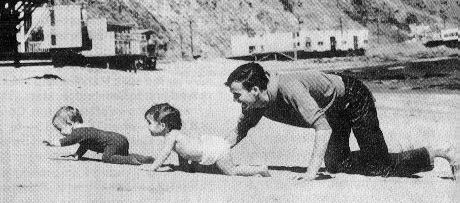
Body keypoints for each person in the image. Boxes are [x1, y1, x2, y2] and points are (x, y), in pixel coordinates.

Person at [224, 62, 458, 181]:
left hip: (353, 97)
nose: (236, 100)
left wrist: (311, 172)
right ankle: (378, 154)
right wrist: (215, 154)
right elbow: (239, 131)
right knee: (338, 164)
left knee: (381, 166)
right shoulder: (256, 103)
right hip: (333, 109)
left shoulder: (288, 88)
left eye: (237, 95)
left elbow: (322, 128)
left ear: (255, 89)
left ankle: (440, 150)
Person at [141, 103, 270, 177]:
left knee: (232, 171)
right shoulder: (175, 135)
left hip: (214, 150)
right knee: (230, 169)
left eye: (150, 122)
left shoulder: (171, 136)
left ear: (163, 125)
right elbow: (183, 153)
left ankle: (259, 169)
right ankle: (257, 170)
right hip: (210, 147)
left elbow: (165, 154)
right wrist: (185, 168)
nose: (148, 126)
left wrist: (153, 168)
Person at [43, 106, 155, 165]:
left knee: (107, 158)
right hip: (119, 139)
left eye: (60, 129)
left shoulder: (78, 132)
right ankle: (146, 159)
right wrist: (77, 155)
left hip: (113, 142)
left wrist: (52, 143)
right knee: (122, 154)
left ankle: (131, 160)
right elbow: (85, 145)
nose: (60, 132)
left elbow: (67, 141)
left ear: (69, 123)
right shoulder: (84, 131)